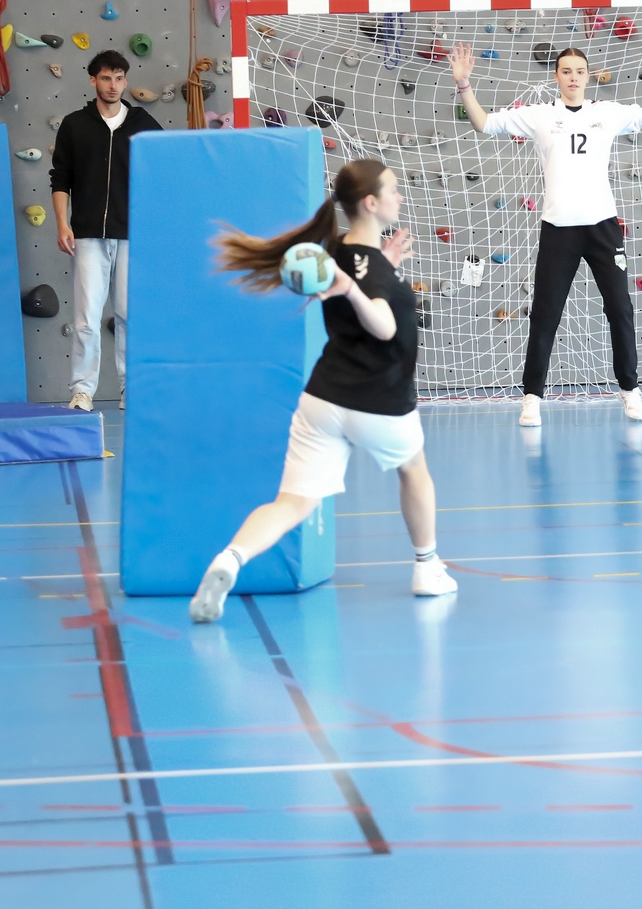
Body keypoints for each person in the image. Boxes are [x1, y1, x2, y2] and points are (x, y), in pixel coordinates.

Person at [189, 158, 455, 624]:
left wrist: (384, 268)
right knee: (414, 471)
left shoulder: (331, 249)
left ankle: (229, 559)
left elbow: (366, 273)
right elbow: (383, 324)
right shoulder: (358, 272)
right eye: (393, 190)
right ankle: (427, 568)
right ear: (371, 203)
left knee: (291, 502)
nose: (400, 196)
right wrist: (358, 289)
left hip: (324, 399)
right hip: (381, 403)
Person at [448, 40, 642, 427]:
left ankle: (630, 389)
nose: (573, 77)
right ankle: (532, 398)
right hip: (559, 230)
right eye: (566, 71)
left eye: (580, 71)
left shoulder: (607, 112)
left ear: (587, 77)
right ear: (556, 76)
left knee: (620, 308)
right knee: (545, 315)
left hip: (603, 227)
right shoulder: (538, 115)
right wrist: (465, 85)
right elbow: (484, 124)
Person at [50, 50, 162, 412]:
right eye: (105, 78)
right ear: (92, 81)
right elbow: (60, 179)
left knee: (132, 314)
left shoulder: (143, 123)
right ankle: (83, 390)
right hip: (87, 235)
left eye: (118, 78)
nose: (112, 85)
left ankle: (133, 388)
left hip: (134, 235)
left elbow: (165, 171)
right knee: (86, 317)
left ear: (126, 81)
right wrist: (62, 223)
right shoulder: (74, 125)